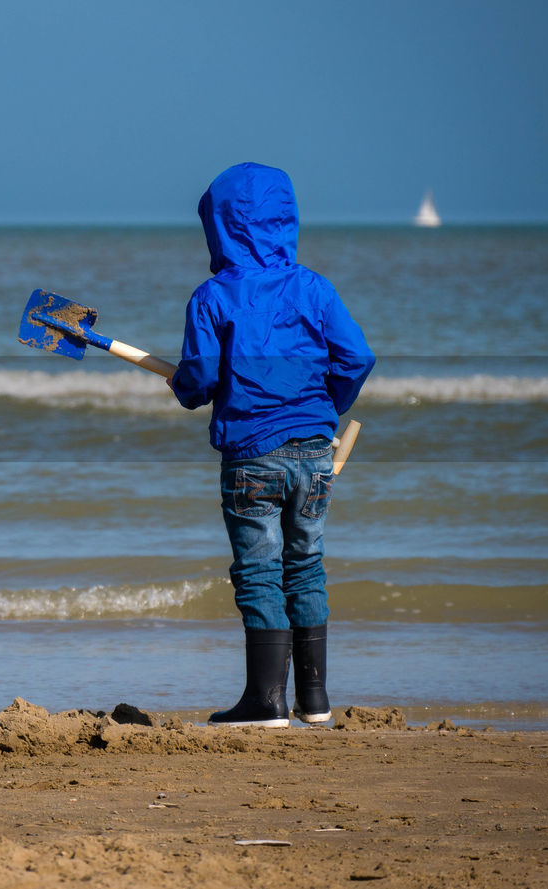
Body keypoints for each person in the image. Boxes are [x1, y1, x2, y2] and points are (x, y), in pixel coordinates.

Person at [169, 162, 374, 728]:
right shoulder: (314, 288)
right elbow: (356, 358)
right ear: (285, 220)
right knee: (306, 567)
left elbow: (199, 382)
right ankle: (315, 702)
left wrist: (184, 384)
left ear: (220, 227)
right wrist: (325, 404)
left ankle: (265, 702)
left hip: (252, 455)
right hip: (315, 453)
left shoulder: (213, 296)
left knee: (259, 571)